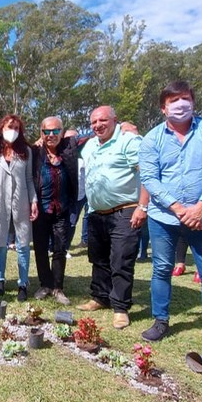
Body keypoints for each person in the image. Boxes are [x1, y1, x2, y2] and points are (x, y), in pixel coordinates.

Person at [139, 80, 202, 367]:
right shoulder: (152, 139)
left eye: (185, 99)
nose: (180, 105)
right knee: (161, 269)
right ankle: (160, 321)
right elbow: (150, 178)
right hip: (164, 216)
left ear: (193, 102)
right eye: (173, 101)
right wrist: (177, 208)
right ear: (163, 108)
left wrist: (201, 206)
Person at [76, 107, 148, 328]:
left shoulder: (129, 140)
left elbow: (147, 173)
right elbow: (69, 141)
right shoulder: (90, 145)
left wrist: (142, 206)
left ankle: (120, 307)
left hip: (125, 210)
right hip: (97, 212)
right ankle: (100, 297)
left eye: (103, 120)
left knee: (121, 260)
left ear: (115, 120)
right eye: (94, 122)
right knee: (98, 259)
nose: (98, 125)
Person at [0, 115, 38, 301]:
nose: (13, 131)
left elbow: (29, 179)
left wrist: (33, 201)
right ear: (1, 128)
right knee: (0, 244)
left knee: (23, 245)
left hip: (20, 203)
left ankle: (23, 283)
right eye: (10, 127)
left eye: (17, 128)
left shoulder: (26, 152)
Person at [31, 116, 78, 306]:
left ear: (62, 132)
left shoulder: (68, 148)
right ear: (41, 133)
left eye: (55, 130)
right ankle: (45, 285)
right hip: (40, 209)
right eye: (46, 131)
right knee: (40, 249)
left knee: (60, 249)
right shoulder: (35, 152)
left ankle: (58, 287)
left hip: (62, 209)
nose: (51, 135)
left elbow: (88, 135)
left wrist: (123, 127)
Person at [64, 128, 88, 257]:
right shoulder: (60, 154)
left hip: (79, 196)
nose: (71, 141)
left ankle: (65, 248)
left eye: (74, 138)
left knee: (72, 223)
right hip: (63, 196)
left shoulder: (83, 155)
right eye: (68, 139)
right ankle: (52, 246)